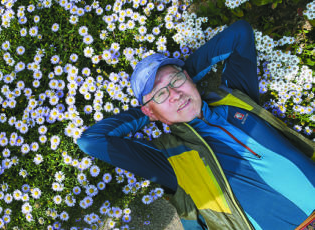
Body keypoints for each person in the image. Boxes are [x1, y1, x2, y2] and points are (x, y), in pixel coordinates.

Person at [77, 20, 315, 230]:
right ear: (150, 111)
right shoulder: (170, 159)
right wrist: (152, 110)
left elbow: (240, 34)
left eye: (176, 81)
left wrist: (184, 79)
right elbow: (91, 141)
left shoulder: (236, 99)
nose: (174, 94)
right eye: (160, 94)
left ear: (190, 79)